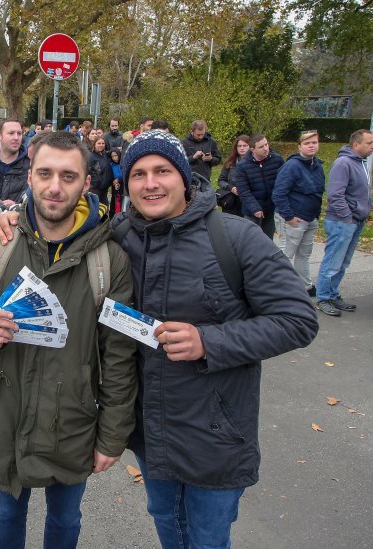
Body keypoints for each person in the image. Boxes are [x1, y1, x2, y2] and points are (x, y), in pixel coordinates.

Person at [111, 130, 318, 548]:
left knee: (206, 538)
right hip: (151, 431)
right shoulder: (120, 236)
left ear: (184, 177)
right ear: (127, 184)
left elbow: (298, 319)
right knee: (168, 526)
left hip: (216, 434)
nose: (150, 183)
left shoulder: (236, 237)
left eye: (162, 171)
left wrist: (209, 341)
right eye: (139, 173)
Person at [0, 130, 138, 549]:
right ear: (30, 177)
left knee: (64, 518)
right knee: (5, 513)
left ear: (85, 183)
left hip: (73, 416)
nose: (55, 187)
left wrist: (112, 434)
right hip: (6, 412)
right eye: (45, 174)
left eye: (67, 176)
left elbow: (119, 355)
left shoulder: (108, 259)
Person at [314, 129, 373, 316]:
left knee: (343, 262)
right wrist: (347, 217)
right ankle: (323, 298)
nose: (372, 146)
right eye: (369, 143)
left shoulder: (361, 163)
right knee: (332, 261)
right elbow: (335, 195)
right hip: (342, 222)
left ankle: (333, 294)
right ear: (356, 145)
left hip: (356, 221)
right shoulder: (343, 163)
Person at [272, 130, 324, 297]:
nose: (311, 146)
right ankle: (278, 290)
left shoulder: (317, 164)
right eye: (307, 143)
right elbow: (278, 194)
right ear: (299, 146)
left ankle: (306, 286)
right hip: (293, 219)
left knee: (304, 255)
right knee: (285, 256)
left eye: (314, 143)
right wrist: (289, 217)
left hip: (310, 219)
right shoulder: (292, 166)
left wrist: (315, 215)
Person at [234, 134, 284, 239]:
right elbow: (243, 190)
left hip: (271, 208)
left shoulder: (277, 160)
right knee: (251, 240)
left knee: (268, 240)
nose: (266, 149)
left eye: (266, 144)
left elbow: (283, 182)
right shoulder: (242, 166)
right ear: (252, 149)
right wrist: (255, 208)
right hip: (252, 210)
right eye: (261, 147)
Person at [217, 135, 250, 217]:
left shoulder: (255, 162)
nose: (242, 148)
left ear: (250, 147)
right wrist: (231, 188)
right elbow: (221, 180)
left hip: (248, 200)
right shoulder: (230, 162)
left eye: (245, 146)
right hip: (232, 201)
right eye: (239, 146)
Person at [88, 135, 110, 205]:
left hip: (104, 189)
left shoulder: (104, 155)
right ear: (94, 144)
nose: (101, 145)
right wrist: (96, 183)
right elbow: (89, 171)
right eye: (99, 143)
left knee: (104, 209)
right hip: (95, 189)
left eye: (103, 143)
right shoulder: (91, 156)